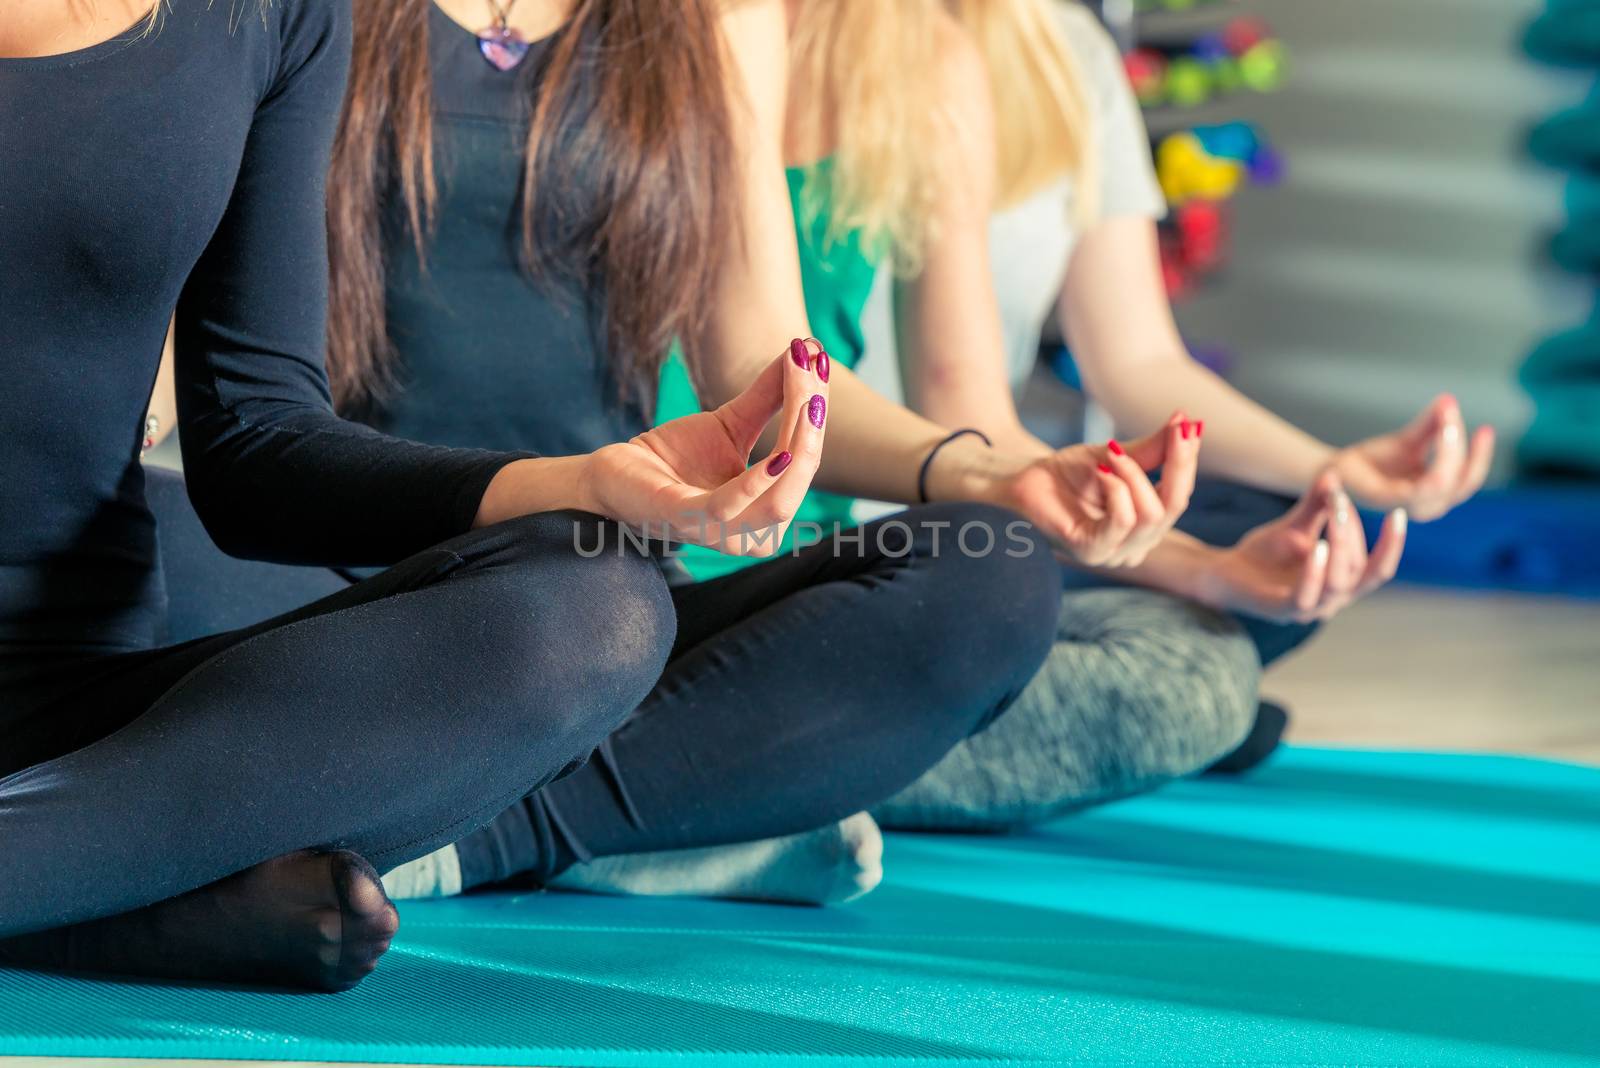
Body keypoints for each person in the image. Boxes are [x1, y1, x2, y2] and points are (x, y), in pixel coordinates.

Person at [0, 0, 1054, 994]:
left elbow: (764, 367)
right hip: (285, 574)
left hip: (550, 581)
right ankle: (192, 856)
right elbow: (193, 375)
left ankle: (431, 834)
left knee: (981, 574)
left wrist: (980, 472)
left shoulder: (704, 21)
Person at [658, 0, 1418, 836]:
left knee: (1175, 657)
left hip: (820, 572)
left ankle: (743, 766)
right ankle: (738, 775)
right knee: (1170, 670)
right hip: (641, 562)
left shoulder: (931, 61)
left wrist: (1211, 569)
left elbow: (977, 420)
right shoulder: (648, 33)